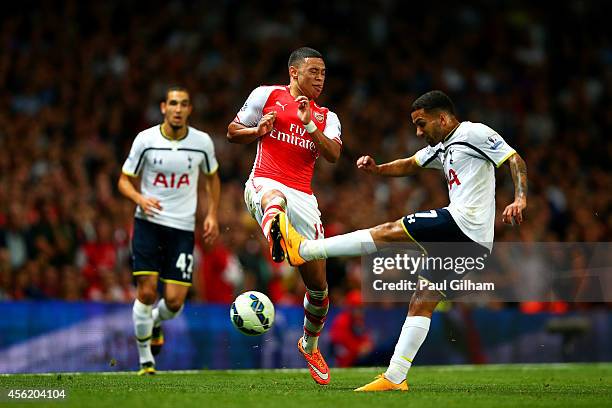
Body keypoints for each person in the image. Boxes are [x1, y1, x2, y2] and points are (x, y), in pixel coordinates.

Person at [274, 90, 528, 391]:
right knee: (422, 301)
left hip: (463, 224)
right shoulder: (442, 146)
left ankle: (305, 249)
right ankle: (395, 377)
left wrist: (520, 199)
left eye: (422, 124)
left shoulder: (474, 133)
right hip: (473, 242)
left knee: (391, 231)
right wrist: (377, 169)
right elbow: (410, 164)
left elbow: (514, 159)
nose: (419, 132)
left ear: (443, 118)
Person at [227, 47, 342, 385]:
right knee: (273, 199)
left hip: (304, 198)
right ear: (294, 72)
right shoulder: (267, 95)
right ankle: (280, 236)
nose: (320, 78)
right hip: (264, 181)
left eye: (323, 73)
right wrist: (256, 132)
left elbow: (334, 154)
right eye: (313, 72)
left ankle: (309, 344)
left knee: (318, 290)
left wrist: (309, 124)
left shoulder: (326, 116)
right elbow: (233, 130)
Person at [118, 86, 220, 375]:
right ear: (164, 107)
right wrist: (139, 198)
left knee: (174, 302)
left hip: (182, 228)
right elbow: (124, 180)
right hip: (148, 223)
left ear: (190, 110)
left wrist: (211, 213)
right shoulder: (146, 140)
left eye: (184, 104)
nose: (178, 108)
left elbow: (213, 178)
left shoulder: (202, 142)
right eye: (173, 103)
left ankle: (157, 322)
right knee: (147, 292)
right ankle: (145, 361)